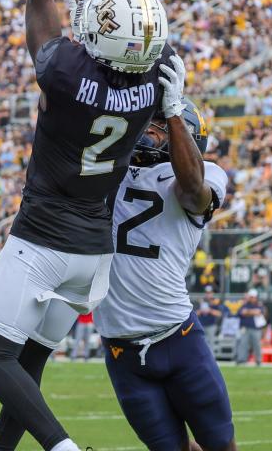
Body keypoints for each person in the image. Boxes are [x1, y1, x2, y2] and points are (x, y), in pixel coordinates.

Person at [0, 0, 174, 451]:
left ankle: (63, 449)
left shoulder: (65, 73)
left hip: (41, 240)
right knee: (26, 372)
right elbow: (148, 8)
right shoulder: (154, 82)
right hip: (93, 256)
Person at [92, 99, 235, 451]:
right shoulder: (110, 168)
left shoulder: (206, 174)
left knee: (221, 446)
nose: (147, 131)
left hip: (178, 339)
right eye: (147, 122)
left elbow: (192, 194)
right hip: (120, 350)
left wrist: (172, 112)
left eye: (159, 126)